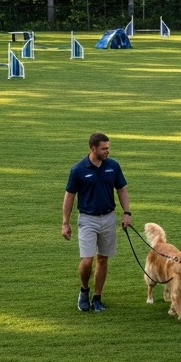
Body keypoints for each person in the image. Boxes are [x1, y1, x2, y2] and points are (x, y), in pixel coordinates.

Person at [62, 132, 131, 312]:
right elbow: (69, 196)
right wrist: (65, 223)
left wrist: (126, 213)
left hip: (108, 218)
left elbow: (122, 189)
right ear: (93, 148)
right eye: (104, 148)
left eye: (108, 148)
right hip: (87, 219)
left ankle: (97, 298)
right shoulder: (78, 170)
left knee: (103, 259)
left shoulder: (113, 166)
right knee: (87, 260)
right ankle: (84, 290)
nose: (107, 151)